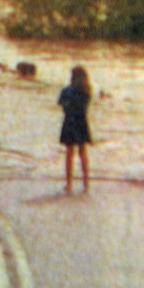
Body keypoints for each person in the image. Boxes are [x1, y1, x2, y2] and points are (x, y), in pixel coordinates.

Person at [59, 65, 93, 193]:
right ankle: (86, 182)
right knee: (83, 152)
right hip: (82, 122)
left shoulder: (67, 90)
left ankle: (69, 183)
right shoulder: (87, 91)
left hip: (69, 121)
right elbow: (84, 107)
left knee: (69, 153)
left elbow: (62, 105)